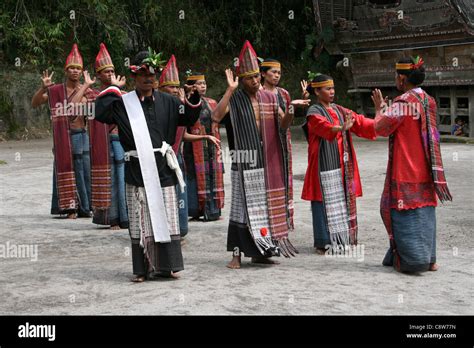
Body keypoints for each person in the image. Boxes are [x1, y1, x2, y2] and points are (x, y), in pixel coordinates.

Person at [94, 49, 202, 282]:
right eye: (143, 74)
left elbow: (190, 118)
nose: (148, 79)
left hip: (163, 168)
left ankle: (168, 266)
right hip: (136, 170)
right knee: (140, 219)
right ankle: (142, 269)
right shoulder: (124, 103)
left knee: (168, 218)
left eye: (153, 75)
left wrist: (193, 99)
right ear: (134, 77)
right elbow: (100, 113)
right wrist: (113, 88)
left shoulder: (170, 102)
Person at [212, 40, 309, 269]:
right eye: (249, 78)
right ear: (241, 79)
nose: (255, 82)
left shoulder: (270, 97)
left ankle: (260, 251)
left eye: (257, 77)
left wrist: (293, 107)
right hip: (243, 161)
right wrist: (230, 89)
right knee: (240, 209)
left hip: (265, 160)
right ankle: (236, 255)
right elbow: (215, 117)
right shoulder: (234, 99)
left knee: (262, 208)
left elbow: (283, 124)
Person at [371, 56, 452, 273]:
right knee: (425, 211)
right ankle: (430, 259)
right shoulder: (428, 100)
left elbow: (381, 128)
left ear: (402, 78)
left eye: (397, 75)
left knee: (404, 211)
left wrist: (379, 108)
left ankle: (411, 261)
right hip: (426, 166)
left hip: (406, 166)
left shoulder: (403, 103)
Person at [301, 73, 376, 254]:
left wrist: (379, 118)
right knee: (322, 200)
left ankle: (343, 238)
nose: (332, 92)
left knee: (342, 198)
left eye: (333, 88)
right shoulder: (314, 112)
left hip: (342, 162)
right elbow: (323, 127)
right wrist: (340, 128)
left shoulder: (340, 110)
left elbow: (359, 122)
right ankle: (323, 241)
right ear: (317, 92)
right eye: (328, 89)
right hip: (323, 164)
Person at [158, 57, 220, 242]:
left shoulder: (180, 106)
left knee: (180, 194)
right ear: (161, 89)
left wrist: (205, 136)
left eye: (177, 87)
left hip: (177, 157)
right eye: (171, 86)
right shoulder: (157, 107)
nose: (175, 90)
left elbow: (183, 133)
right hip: (161, 157)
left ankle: (180, 229)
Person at [31, 43, 93, 219]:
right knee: (65, 170)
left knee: (83, 172)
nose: (74, 71)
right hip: (64, 137)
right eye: (71, 68)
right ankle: (68, 208)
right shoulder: (57, 91)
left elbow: (79, 109)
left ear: (81, 72)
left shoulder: (87, 91)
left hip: (81, 134)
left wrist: (85, 88)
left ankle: (84, 207)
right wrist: (44, 88)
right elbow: (35, 103)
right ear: (66, 71)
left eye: (78, 68)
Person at [85, 42, 129, 229]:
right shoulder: (91, 93)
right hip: (103, 142)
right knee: (111, 179)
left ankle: (124, 217)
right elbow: (75, 107)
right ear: (98, 75)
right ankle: (111, 218)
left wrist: (116, 90)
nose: (110, 74)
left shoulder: (123, 93)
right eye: (106, 71)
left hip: (120, 141)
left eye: (112, 70)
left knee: (122, 179)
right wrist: (86, 84)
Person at [183, 72, 224, 222]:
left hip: (212, 146)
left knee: (214, 175)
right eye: (199, 84)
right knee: (195, 176)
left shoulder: (212, 102)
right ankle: (197, 210)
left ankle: (213, 211)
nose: (203, 86)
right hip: (193, 147)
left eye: (204, 84)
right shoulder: (185, 103)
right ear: (192, 86)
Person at [260, 58, 294, 230]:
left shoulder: (284, 94)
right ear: (263, 74)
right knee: (267, 178)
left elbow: (286, 120)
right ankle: (267, 217)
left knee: (284, 175)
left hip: (282, 140)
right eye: (273, 72)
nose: (276, 76)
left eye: (279, 73)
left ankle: (284, 217)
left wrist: (294, 108)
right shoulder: (258, 93)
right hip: (265, 141)